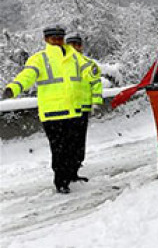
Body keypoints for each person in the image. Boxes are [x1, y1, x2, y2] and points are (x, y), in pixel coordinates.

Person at [2, 25, 93, 193]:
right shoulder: (40, 59)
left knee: (75, 147)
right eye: (53, 38)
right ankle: (61, 182)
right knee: (59, 148)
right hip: (52, 113)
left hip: (74, 111)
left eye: (60, 38)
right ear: (46, 40)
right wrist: (14, 88)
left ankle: (72, 173)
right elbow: (27, 75)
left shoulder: (75, 58)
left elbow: (90, 74)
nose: (57, 42)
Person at [66, 32, 103, 181]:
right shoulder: (59, 65)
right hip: (65, 110)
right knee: (66, 144)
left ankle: (74, 171)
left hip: (82, 109)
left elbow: (96, 84)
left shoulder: (88, 64)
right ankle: (65, 174)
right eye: (71, 44)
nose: (75, 47)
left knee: (78, 143)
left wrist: (96, 103)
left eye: (77, 44)